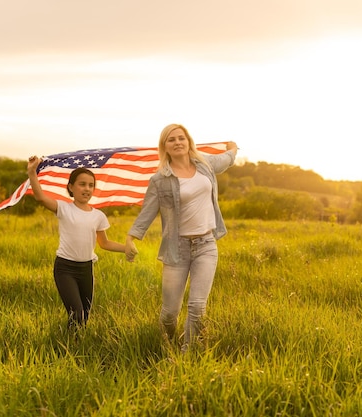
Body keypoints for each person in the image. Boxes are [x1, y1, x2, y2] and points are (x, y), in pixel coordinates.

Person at [125, 123, 237, 352]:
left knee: (197, 306)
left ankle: (187, 355)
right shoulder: (160, 180)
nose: (177, 143)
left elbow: (224, 160)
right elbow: (147, 212)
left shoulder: (205, 163)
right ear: (164, 147)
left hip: (206, 245)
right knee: (170, 313)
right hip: (177, 250)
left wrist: (233, 150)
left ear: (188, 142)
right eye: (171, 140)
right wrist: (131, 237)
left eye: (181, 138)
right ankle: (168, 343)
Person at [27, 157, 126, 330]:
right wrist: (31, 172)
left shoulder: (98, 216)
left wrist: (127, 249)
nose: (87, 189)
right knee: (77, 314)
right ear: (71, 187)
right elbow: (41, 198)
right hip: (65, 268)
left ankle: (78, 349)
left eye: (90, 185)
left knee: (84, 317)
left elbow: (105, 243)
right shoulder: (64, 209)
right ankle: (66, 349)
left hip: (86, 269)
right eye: (82, 184)